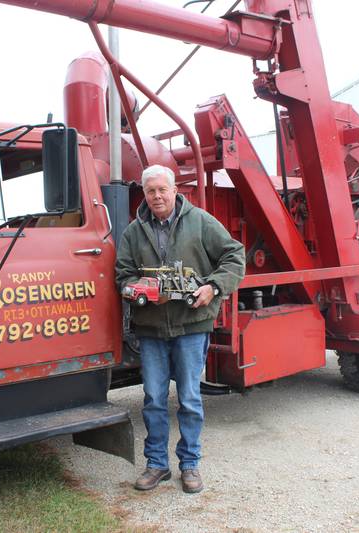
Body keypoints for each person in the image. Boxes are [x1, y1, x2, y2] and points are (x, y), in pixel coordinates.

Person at [115, 164, 245, 493]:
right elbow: (123, 276)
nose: (157, 196)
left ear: (175, 190)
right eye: (150, 191)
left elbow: (234, 255)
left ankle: (190, 465)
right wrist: (140, 291)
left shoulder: (200, 222)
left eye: (162, 190)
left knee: (188, 398)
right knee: (154, 399)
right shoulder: (134, 231)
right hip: (152, 330)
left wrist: (213, 288)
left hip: (191, 326)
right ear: (143, 194)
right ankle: (157, 465)